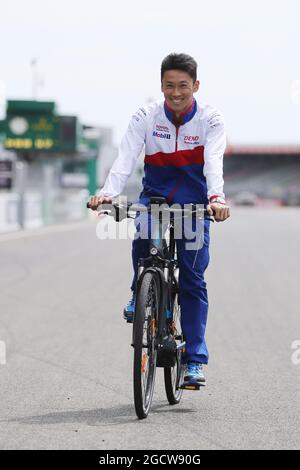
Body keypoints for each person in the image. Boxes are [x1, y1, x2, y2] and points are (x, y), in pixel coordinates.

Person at [88, 53, 230, 387]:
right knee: (144, 238)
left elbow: (213, 163)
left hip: (195, 205)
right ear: (161, 86)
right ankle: (141, 290)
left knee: (193, 280)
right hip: (155, 197)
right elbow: (125, 158)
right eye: (169, 86)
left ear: (196, 86)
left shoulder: (211, 119)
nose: (176, 93)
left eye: (183, 86)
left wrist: (217, 200)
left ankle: (195, 360)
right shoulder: (146, 116)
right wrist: (107, 193)